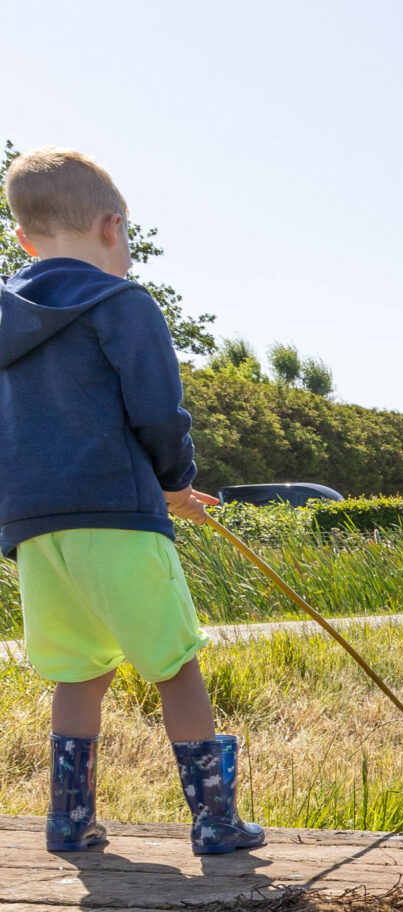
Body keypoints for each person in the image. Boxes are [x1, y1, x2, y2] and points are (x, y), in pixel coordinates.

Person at [0, 148, 260, 855]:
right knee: (175, 663)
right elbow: (158, 411)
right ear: (114, 228)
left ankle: (67, 820)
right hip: (119, 513)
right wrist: (176, 483)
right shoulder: (124, 304)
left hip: (32, 528)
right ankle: (215, 820)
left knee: (79, 669)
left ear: (24, 238)